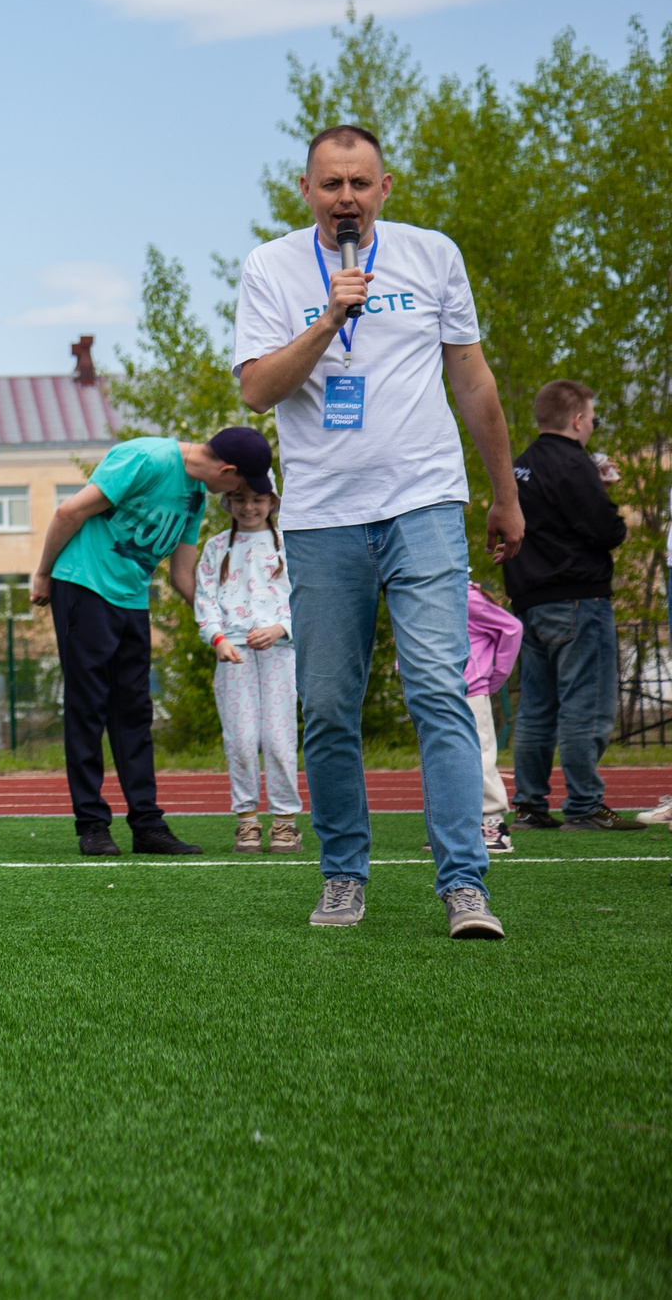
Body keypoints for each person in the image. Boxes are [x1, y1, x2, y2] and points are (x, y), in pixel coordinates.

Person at [235, 124, 522, 939]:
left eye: (361, 183)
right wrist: (329, 317)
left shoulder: (433, 255)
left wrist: (504, 492)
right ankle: (343, 875)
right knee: (327, 705)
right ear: (307, 190)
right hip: (324, 516)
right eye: (332, 184)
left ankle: (465, 882)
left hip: (425, 503)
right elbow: (257, 390)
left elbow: (472, 379)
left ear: (385, 187)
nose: (347, 198)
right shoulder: (270, 267)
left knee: (440, 690)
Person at [30, 428, 268, 857]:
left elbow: (182, 575)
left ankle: (147, 824)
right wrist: (43, 573)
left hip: (131, 600)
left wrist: (221, 621)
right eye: (239, 486)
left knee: (135, 712)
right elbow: (69, 512)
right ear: (228, 471)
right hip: (82, 585)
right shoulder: (147, 459)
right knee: (89, 709)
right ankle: (93, 826)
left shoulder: (196, 494)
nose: (239, 495)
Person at [502, 378, 636, 831]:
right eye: (592, 419)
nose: (593, 427)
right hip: (578, 598)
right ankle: (584, 805)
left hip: (530, 601)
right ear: (578, 419)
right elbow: (606, 530)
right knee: (586, 705)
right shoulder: (573, 464)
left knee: (537, 707)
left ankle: (529, 804)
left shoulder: (520, 465)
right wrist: (605, 497)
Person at [193, 487, 301, 853]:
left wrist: (281, 628)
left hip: (280, 652)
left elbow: (307, 595)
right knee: (240, 739)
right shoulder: (216, 546)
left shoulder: (290, 543)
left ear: (272, 502)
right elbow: (204, 598)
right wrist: (217, 637)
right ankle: (247, 822)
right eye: (240, 500)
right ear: (229, 504)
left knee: (278, 738)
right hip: (233, 653)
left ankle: (285, 823)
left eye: (257, 499)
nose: (249, 507)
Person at [465, 582, 522, 853]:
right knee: (445, 758)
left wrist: (495, 678)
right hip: (435, 691)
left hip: (469, 691)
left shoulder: (465, 597)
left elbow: (511, 627)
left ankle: (494, 824)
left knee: (478, 754)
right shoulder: (415, 593)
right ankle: (459, 827)